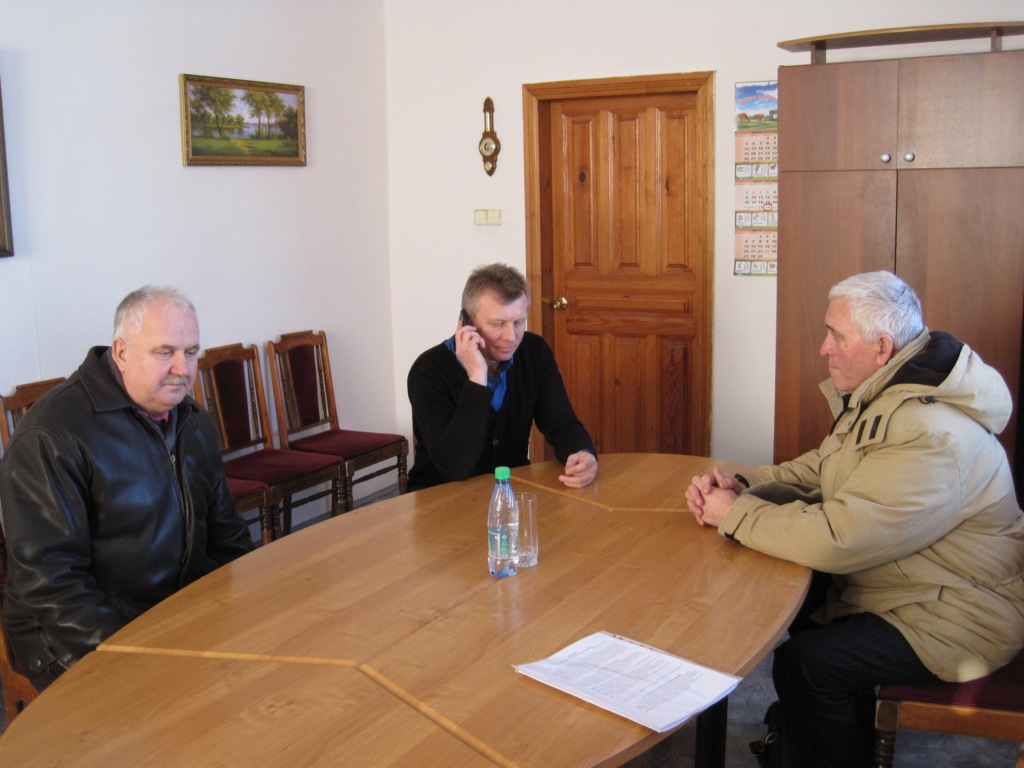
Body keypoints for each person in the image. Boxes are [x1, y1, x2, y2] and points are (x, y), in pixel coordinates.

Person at [684, 271, 1024, 768]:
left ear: (881, 347)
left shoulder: (929, 433)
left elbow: (839, 539)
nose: (824, 348)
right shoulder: (892, 392)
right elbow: (826, 467)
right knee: (788, 592)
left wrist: (737, 515)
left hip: (961, 612)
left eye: (836, 336)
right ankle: (826, 724)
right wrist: (748, 485)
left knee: (806, 665)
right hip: (913, 582)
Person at [1, 286, 254, 691]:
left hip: (169, 608)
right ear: (121, 352)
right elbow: (53, 587)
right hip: (70, 637)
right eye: (164, 352)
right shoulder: (51, 436)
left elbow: (228, 535)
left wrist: (256, 606)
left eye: (191, 352)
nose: (182, 369)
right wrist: (148, 654)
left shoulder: (192, 421)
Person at [407, 262, 598, 491]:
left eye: (519, 322)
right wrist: (477, 378)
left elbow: (561, 423)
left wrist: (583, 453)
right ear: (467, 323)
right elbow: (455, 466)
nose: (511, 337)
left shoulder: (534, 352)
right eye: (498, 324)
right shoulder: (428, 371)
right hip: (440, 495)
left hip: (509, 491)